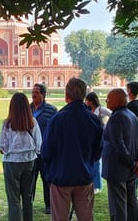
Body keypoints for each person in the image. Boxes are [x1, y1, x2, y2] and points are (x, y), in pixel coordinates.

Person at [41, 78, 103, 221]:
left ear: (66, 95)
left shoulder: (56, 120)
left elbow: (46, 152)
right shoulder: (93, 120)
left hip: (61, 176)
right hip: (84, 176)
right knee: (86, 216)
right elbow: (98, 151)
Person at [102, 88, 138, 221]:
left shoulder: (116, 117)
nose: (106, 100)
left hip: (118, 169)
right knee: (131, 202)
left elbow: (118, 146)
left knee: (119, 205)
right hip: (130, 168)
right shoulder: (132, 115)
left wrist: (133, 164)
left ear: (117, 101)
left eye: (109, 98)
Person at [0, 93, 42, 221]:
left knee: (14, 199)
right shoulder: (32, 122)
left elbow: (2, 147)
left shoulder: (7, 124)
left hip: (11, 162)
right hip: (29, 161)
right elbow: (39, 144)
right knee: (28, 197)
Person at [30, 83, 57, 214]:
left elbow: (57, 131)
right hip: (30, 152)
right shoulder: (27, 109)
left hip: (45, 151)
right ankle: (29, 203)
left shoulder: (51, 110)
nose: (34, 94)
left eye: (37, 92)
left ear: (43, 94)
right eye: (33, 92)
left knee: (47, 179)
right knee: (30, 180)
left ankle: (49, 205)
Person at [85, 92, 111, 195]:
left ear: (91, 101)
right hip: (91, 138)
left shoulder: (101, 110)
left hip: (101, 137)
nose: (86, 102)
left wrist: (107, 127)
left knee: (97, 162)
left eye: (87, 100)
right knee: (93, 160)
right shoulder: (88, 110)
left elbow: (113, 115)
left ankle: (97, 185)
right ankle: (93, 183)